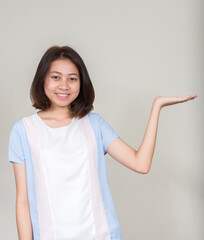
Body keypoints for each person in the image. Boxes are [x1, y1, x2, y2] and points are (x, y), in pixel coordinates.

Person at [8, 45, 197, 240]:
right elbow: (22, 201)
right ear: (42, 80)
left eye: (72, 78)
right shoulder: (23, 131)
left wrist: (157, 107)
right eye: (56, 77)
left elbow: (141, 164)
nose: (64, 85)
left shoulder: (94, 124)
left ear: (82, 83)